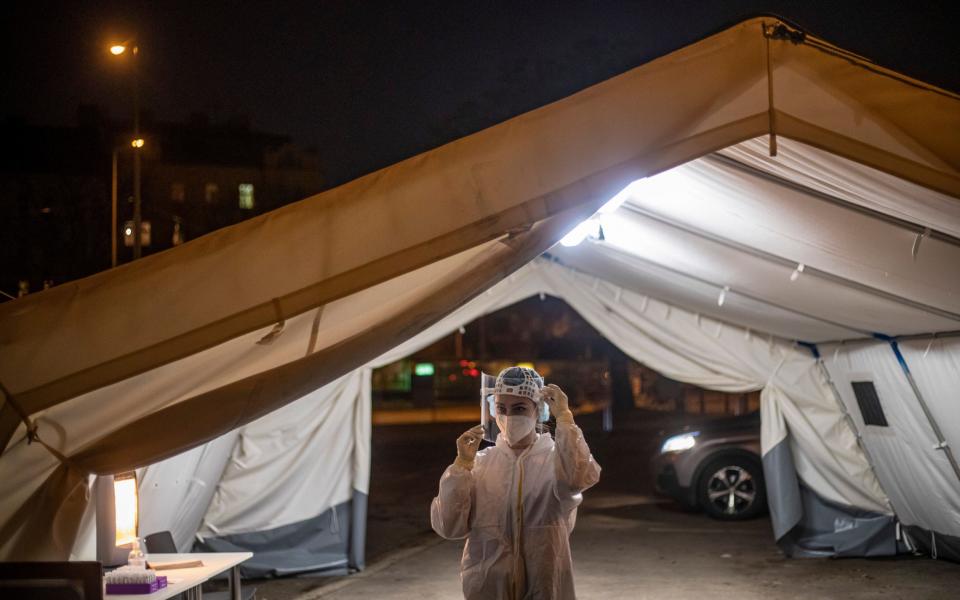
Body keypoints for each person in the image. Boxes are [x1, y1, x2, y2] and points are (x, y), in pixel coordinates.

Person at [430, 366, 601, 599]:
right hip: (489, 585)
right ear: (492, 409)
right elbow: (450, 527)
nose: (509, 417)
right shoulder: (480, 464)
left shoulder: (556, 459)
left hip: (544, 582)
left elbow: (579, 478)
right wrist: (461, 466)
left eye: (519, 408)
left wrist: (564, 419)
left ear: (538, 410)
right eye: (501, 408)